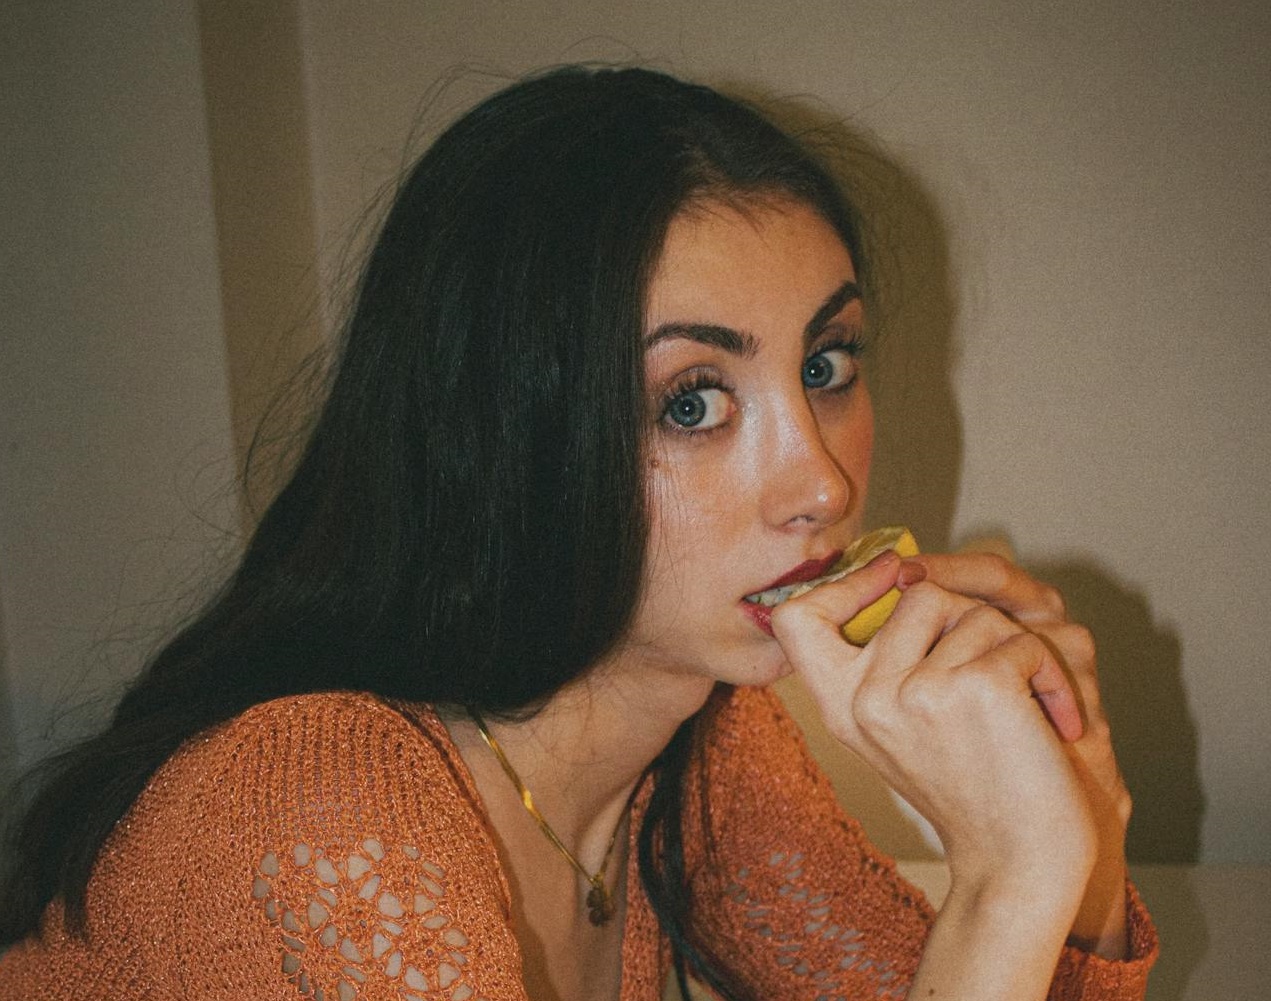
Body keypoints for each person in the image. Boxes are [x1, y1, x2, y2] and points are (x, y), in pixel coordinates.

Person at [0, 65, 1155, 1000]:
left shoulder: (698, 734)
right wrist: (1007, 883)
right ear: (506, 435)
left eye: (824, 364)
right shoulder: (319, 809)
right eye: (691, 400)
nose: (815, 481)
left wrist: (1080, 834)